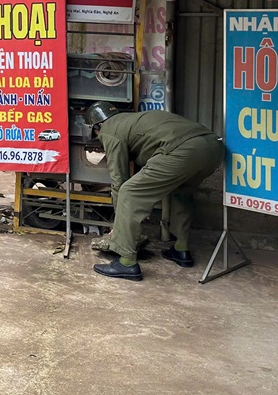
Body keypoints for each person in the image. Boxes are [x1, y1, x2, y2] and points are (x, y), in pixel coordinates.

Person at [87, 101, 225, 282]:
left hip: (184, 150)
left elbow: (118, 180)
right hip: (213, 147)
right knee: (182, 193)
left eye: (96, 134)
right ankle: (181, 249)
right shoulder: (130, 120)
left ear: (98, 125)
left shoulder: (109, 129)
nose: (99, 138)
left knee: (129, 192)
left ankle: (127, 262)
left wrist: (119, 226)